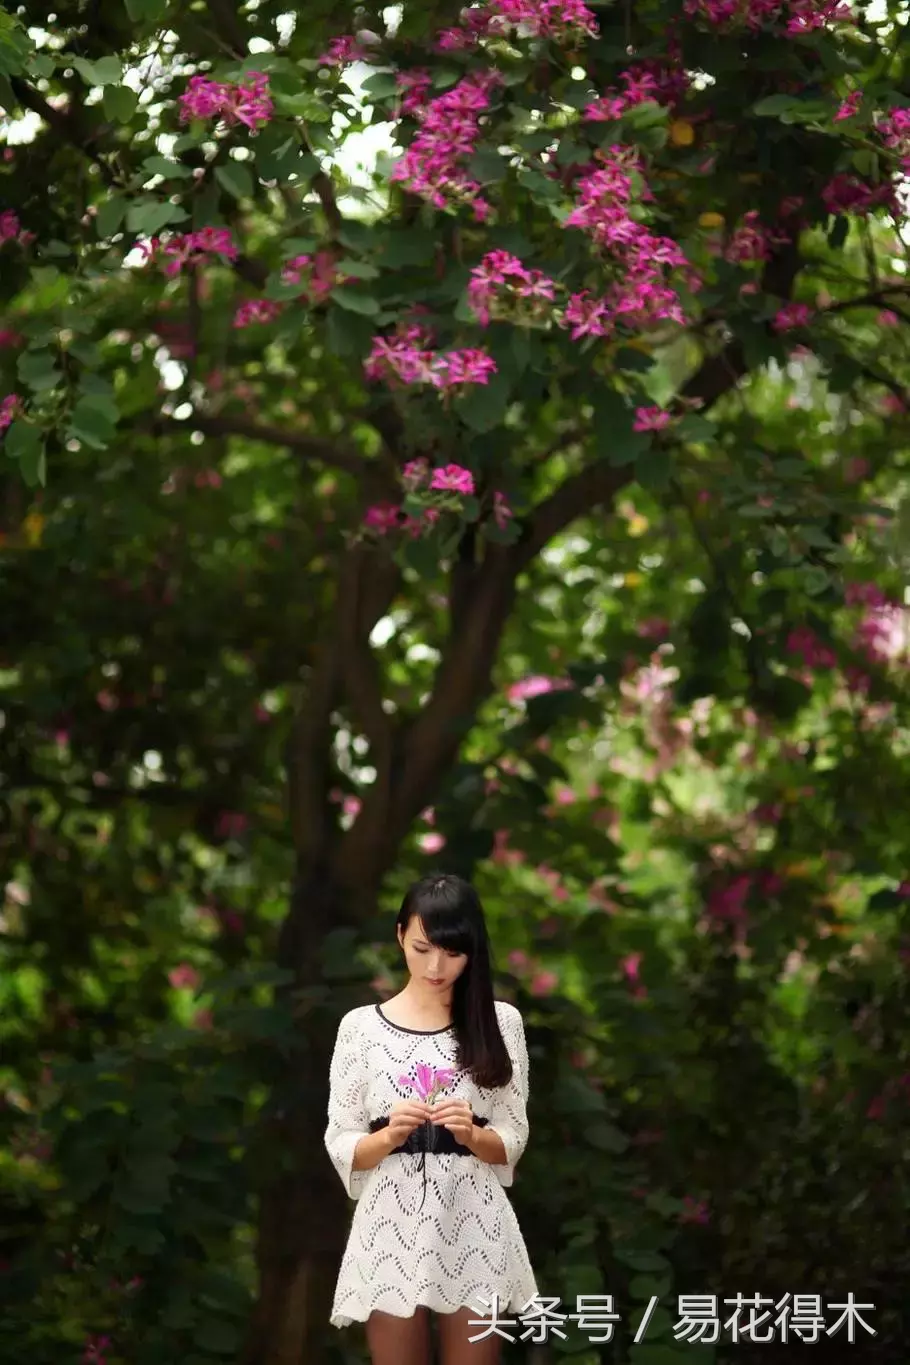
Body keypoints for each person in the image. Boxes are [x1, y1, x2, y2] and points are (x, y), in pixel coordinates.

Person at [324, 871, 539, 1365]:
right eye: (422, 948)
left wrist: (473, 1133)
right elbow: (342, 1137)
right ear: (400, 935)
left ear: (474, 950)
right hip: (389, 1222)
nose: (436, 966)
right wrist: (389, 1137)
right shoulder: (359, 1029)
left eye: (453, 952)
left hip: (474, 1217)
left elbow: (514, 1135)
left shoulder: (500, 1022)